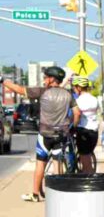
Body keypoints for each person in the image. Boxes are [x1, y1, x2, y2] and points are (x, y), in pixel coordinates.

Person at [1, 66, 79, 202]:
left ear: (51, 79)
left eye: (45, 77)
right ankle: (58, 194)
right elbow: (77, 113)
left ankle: (35, 194)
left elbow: (19, 90)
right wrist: (72, 127)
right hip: (61, 133)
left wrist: (3, 81)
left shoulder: (42, 92)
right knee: (57, 164)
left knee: (40, 164)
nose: (44, 80)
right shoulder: (68, 95)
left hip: (45, 134)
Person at [70, 76, 99, 174]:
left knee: (85, 162)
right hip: (94, 132)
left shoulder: (78, 101)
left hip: (83, 131)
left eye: (75, 87)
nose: (74, 89)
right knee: (88, 157)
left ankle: (89, 183)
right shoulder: (94, 99)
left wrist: (73, 126)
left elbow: (76, 115)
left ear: (79, 87)